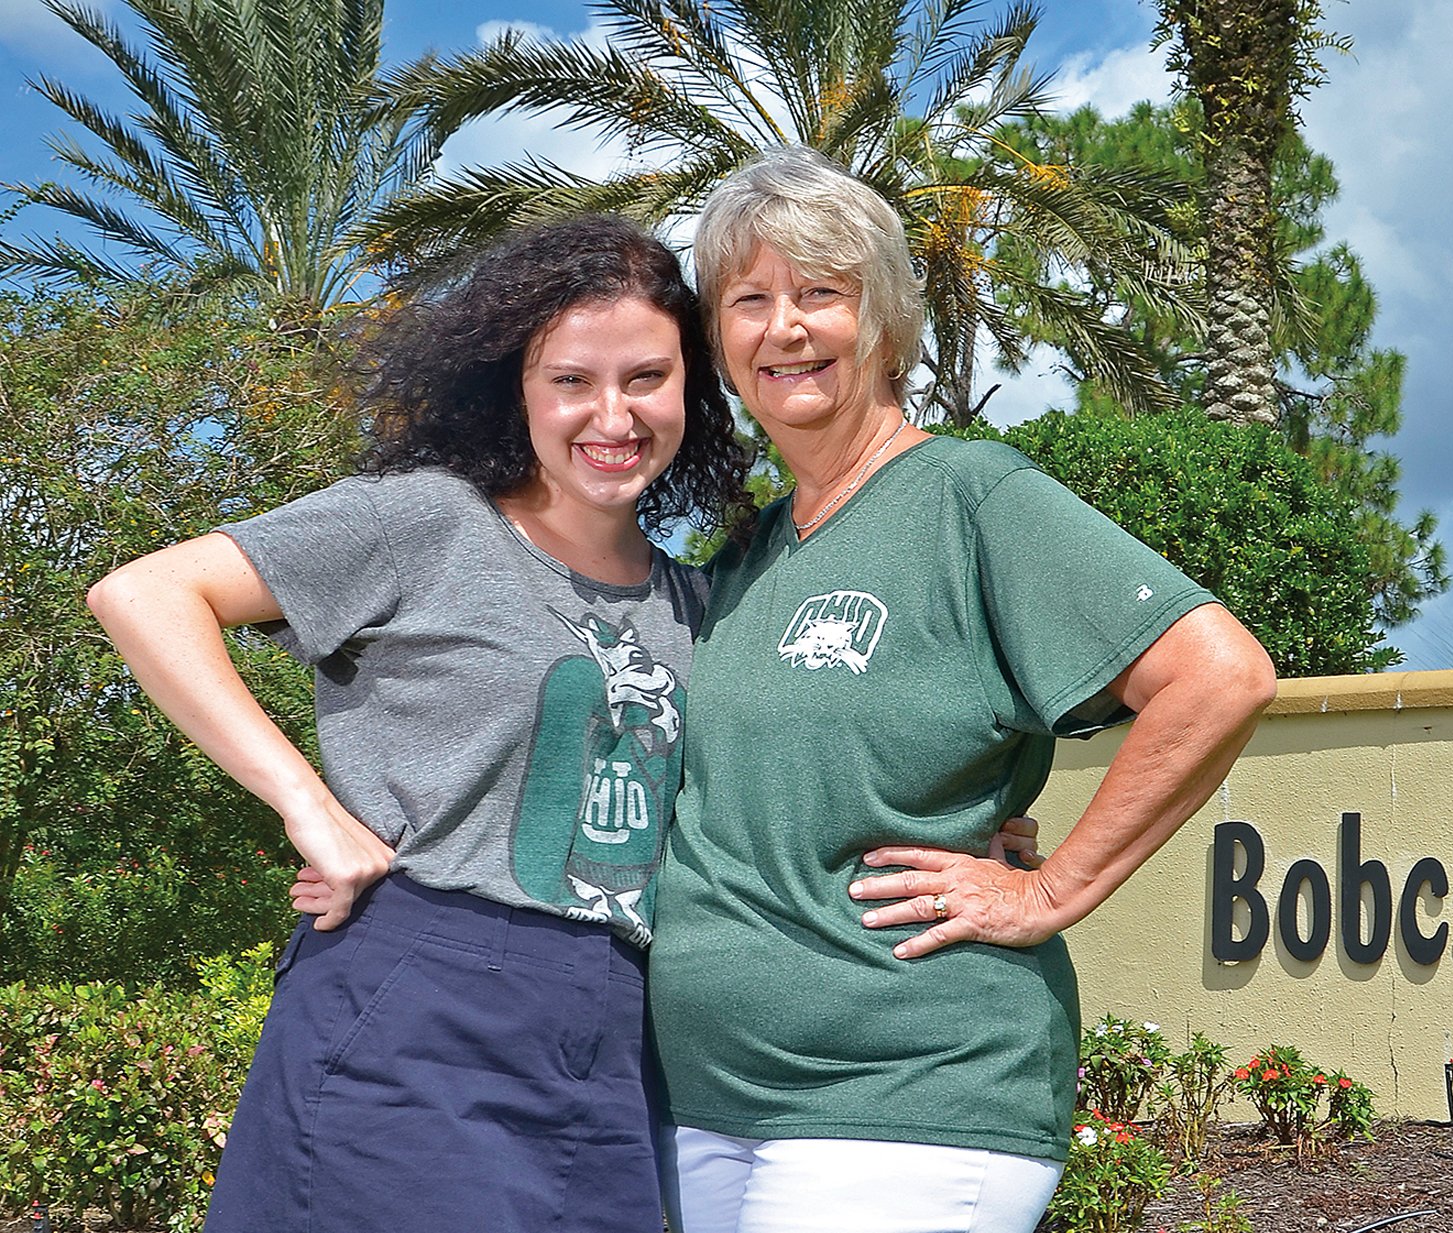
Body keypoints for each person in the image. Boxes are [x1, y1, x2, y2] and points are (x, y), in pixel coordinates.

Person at [648, 146, 1281, 1233]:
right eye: (747, 301)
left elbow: (1217, 674)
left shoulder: (970, 498)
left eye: (818, 294)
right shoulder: (748, 557)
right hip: (706, 1110)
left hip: (904, 1101)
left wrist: (1049, 888)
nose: (781, 328)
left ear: (885, 317)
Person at [86, 216, 751, 1233]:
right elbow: (145, 595)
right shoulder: (426, 522)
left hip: (615, 1036)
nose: (611, 415)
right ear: (515, 389)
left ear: (692, 391)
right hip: (417, 1009)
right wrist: (311, 810)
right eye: (571, 379)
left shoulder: (696, 603)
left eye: (646, 378)